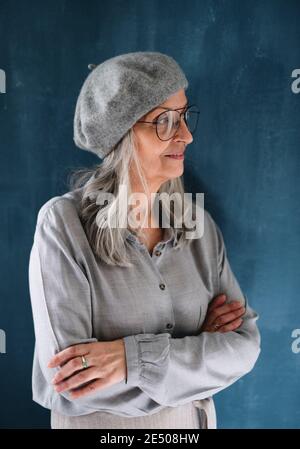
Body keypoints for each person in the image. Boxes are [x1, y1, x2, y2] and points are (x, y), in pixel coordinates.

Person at [28, 51, 261, 429]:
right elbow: (73, 381)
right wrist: (199, 352)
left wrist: (129, 360)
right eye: (165, 121)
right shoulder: (63, 225)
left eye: (184, 116)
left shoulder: (198, 226)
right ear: (121, 134)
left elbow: (244, 347)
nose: (185, 135)